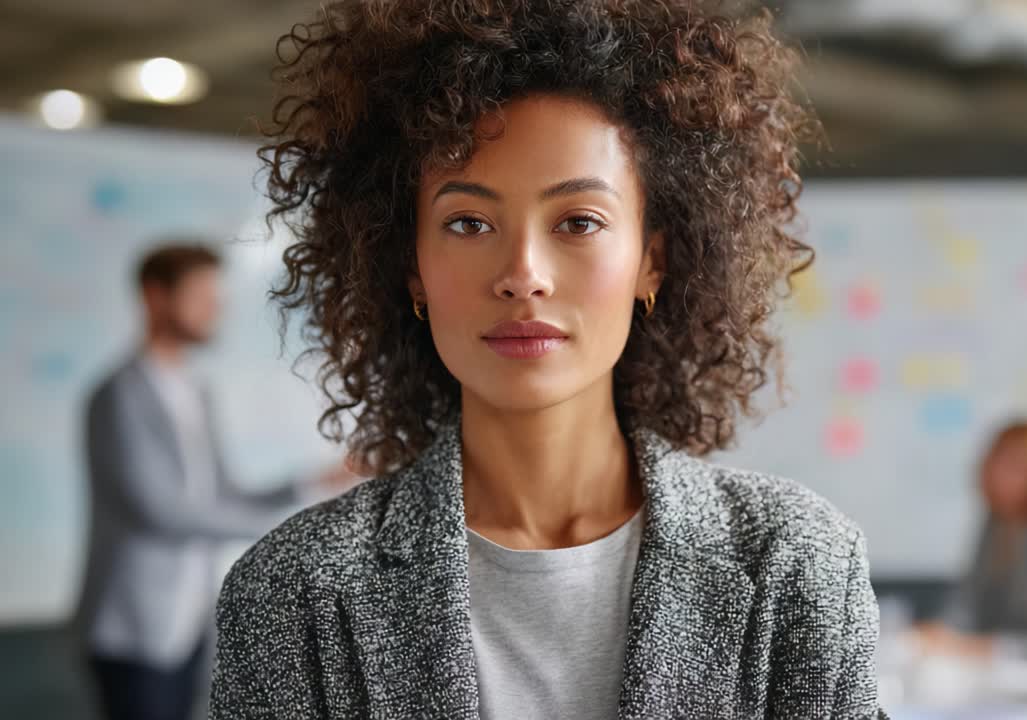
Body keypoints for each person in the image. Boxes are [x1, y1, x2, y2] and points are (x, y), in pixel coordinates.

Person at [209, 1, 886, 718]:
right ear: (411, 269)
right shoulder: (295, 592)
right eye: (469, 223)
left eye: (578, 223)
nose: (523, 273)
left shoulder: (795, 567)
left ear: (652, 263)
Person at [78, 243, 352, 720]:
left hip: (190, 623)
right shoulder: (117, 396)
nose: (215, 309)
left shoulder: (195, 392)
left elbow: (220, 496)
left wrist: (312, 484)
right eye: (201, 295)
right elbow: (161, 512)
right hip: (134, 628)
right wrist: (281, 532)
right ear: (155, 296)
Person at [915, 420, 1027, 658]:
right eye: (996, 462)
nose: (1000, 474)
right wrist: (943, 630)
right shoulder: (992, 528)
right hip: (985, 671)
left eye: (1014, 465)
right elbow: (968, 601)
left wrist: (976, 646)